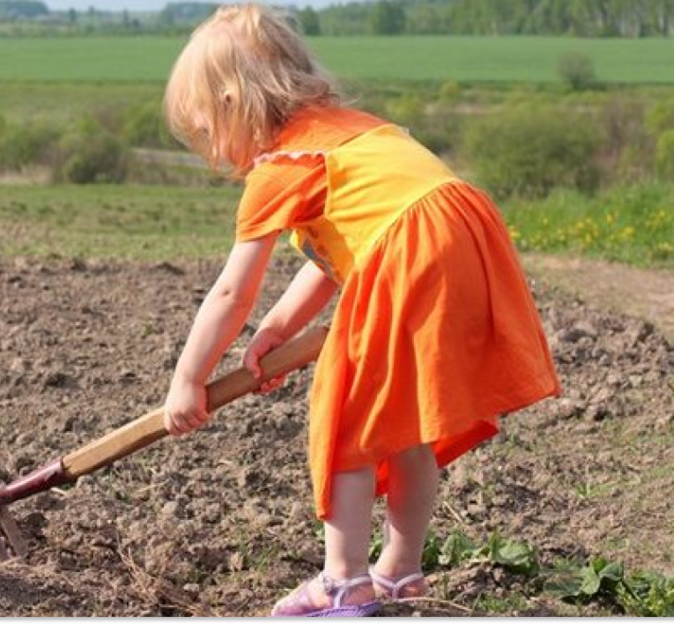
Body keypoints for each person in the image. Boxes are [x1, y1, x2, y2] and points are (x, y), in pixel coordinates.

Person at [160, 3, 561, 618]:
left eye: (210, 130)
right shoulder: (357, 131)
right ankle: (400, 571)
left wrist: (188, 379)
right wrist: (275, 331)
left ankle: (344, 580)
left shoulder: (285, 166)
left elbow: (229, 293)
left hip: (410, 249)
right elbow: (330, 259)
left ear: (236, 103)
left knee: (348, 416)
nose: (217, 151)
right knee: (404, 422)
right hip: (462, 233)